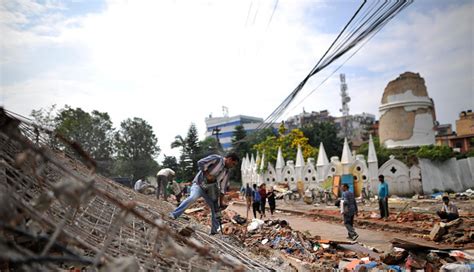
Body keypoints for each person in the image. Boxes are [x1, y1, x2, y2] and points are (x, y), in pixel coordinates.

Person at [169, 153, 239, 235]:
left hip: (210, 191)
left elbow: (222, 188)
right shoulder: (216, 159)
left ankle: (214, 231)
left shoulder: (226, 172)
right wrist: (207, 174)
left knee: (216, 208)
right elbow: (201, 162)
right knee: (192, 198)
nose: (233, 166)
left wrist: (220, 202)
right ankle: (174, 214)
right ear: (229, 159)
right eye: (233, 164)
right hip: (199, 185)